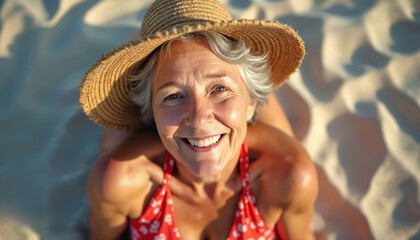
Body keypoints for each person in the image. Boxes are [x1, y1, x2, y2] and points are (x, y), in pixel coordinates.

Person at [79, 0, 318, 239]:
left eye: (219, 89)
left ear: (251, 105)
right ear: (153, 111)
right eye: (173, 95)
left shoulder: (286, 176)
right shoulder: (123, 182)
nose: (199, 118)